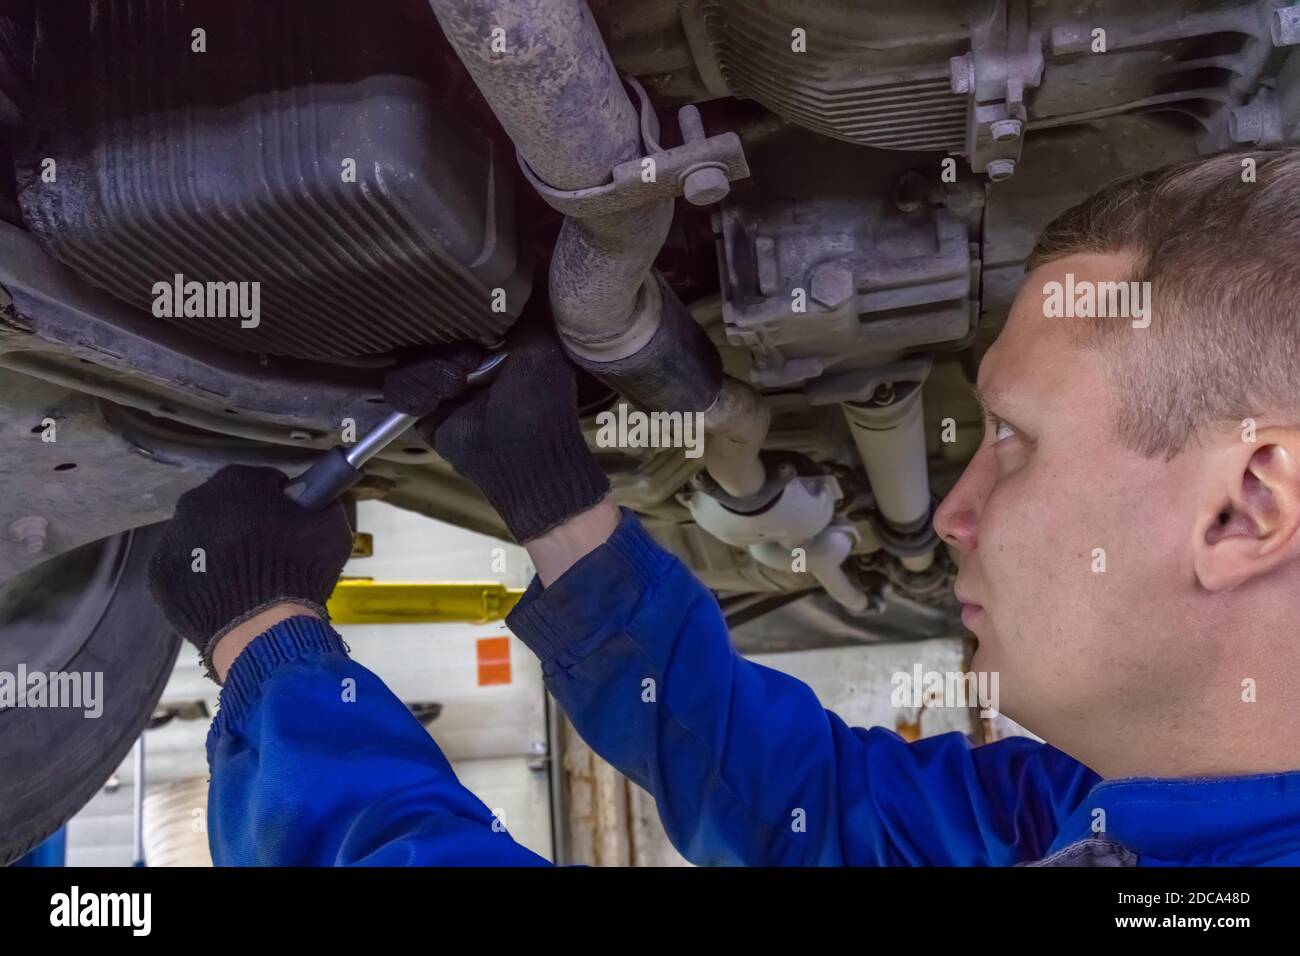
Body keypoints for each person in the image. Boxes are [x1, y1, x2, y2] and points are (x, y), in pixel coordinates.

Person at [147, 149, 1300, 866]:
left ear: (1245, 507)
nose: (955, 512)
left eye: (1013, 440)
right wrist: (559, 509)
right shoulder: (1109, 820)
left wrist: (271, 656)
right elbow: (813, 807)